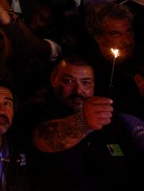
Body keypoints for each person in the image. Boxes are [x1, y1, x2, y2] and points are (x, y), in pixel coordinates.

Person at [19, 56, 140, 190]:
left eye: (86, 83)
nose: (78, 90)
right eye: (69, 81)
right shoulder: (36, 109)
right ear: (54, 78)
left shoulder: (110, 118)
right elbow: (43, 139)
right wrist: (83, 123)